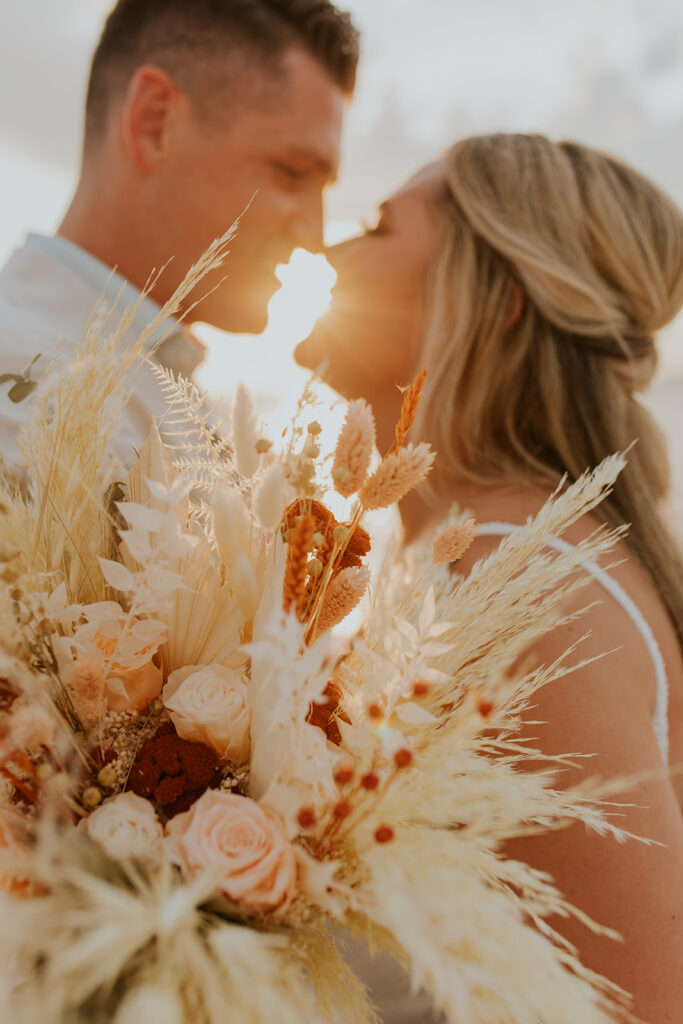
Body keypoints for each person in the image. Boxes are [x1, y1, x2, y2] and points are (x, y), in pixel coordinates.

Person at [296, 133, 683, 1024]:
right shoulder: (471, 564)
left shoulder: (520, 594)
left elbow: (646, 1005)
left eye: (378, 226)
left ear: (494, 302)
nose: (331, 250)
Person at [0, 0, 358, 467]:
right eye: (292, 172)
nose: (316, 238)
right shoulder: (18, 382)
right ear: (154, 124)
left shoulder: (195, 406)